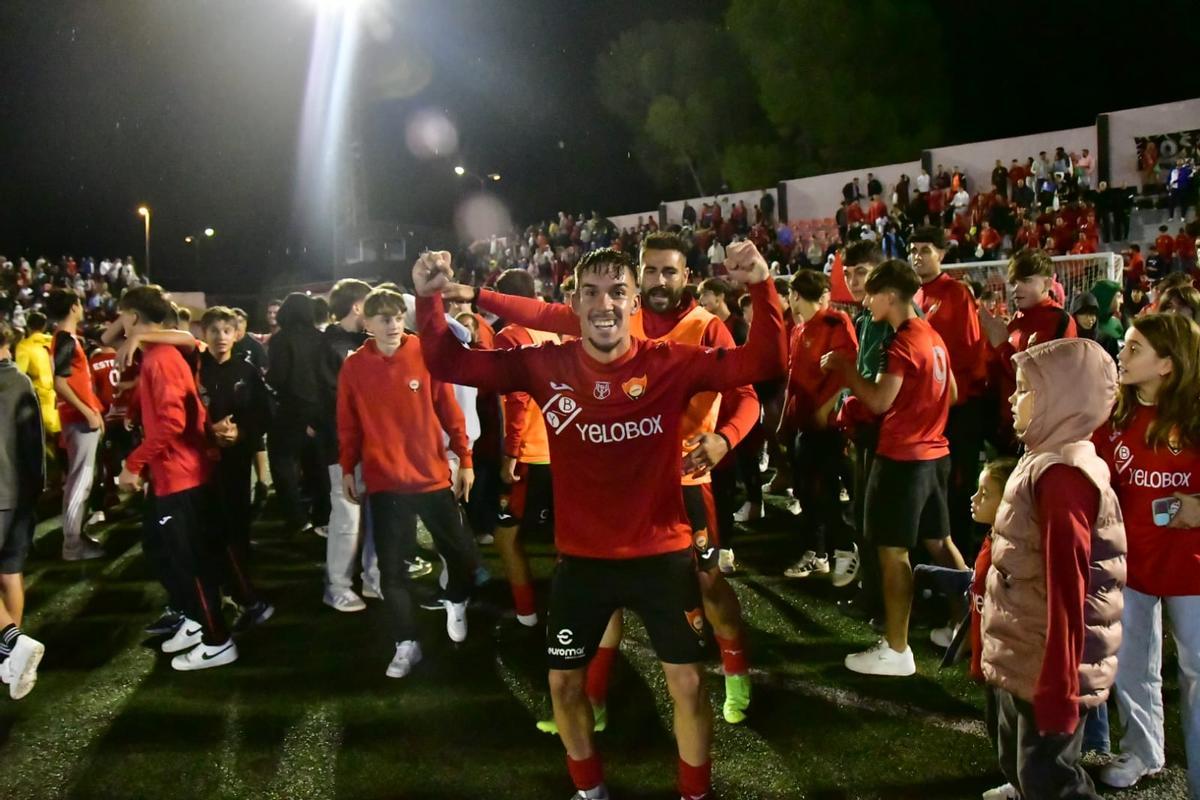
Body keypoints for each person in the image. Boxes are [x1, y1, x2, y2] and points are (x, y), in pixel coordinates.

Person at [413, 242, 784, 800]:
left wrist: (760, 282)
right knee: (563, 686)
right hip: (583, 563)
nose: (604, 303)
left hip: (662, 556)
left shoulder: (669, 361)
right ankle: (590, 792)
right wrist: (428, 299)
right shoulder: (546, 364)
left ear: (633, 303)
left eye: (617, 292)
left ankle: (695, 793)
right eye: (591, 292)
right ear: (575, 303)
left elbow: (763, 364)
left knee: (687, 683)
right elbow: (448, 362)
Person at [982, 337, 1124, 800]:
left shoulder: (1063, 477)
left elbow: (1069, 588)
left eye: (1024, 390)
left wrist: (1060, 684)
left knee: (1050, 778)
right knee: (1022, 762)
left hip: (1046, 658)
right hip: (1026, 648)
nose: (1012, 398)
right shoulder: (1043, 458)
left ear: (1061, 400)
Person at [821, 259, 967, 676]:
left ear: (889, 296)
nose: (865, 302)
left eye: (870, 295)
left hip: (903, 460)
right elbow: (952, 393)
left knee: (892, 552)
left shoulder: (901, 341)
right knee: (940, 542)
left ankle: (897, 649)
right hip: (935, 454)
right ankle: (967, 624)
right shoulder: (932, 335)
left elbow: (879, 401)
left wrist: (846, 370)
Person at [336, 285, 477, 679]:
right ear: (367, 322)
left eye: (399, 316)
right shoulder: (354, 367)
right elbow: (348, 424)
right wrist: (347, 468)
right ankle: (406, 642)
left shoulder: (423, 352)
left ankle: (455, 598)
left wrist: (465, 459)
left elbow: (449, 409)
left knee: (464, 556)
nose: (394, 324)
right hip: (385, 483)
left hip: (431, 477)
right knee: (391, 571)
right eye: (385, 318)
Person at [1093, 314, 1200, 796]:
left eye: (1135, 348)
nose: (1122, 353)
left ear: (1167, 365)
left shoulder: (1195, 417)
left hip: (1192, 569)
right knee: (1131, 661)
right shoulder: (1113, 414)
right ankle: (1143, 749)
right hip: (1129, 563)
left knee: (1196, 672)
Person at [116, 286, 238, 671]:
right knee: (161, 549)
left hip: (180, 475)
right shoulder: (158, 351)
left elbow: (171, 424)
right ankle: (195, 619)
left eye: (123, 317)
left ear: (132, 316)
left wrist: (133, 463)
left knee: (191, 561)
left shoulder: (161, 357)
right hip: (173, 474)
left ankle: (217, 639)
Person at [910, 227, 989, 557]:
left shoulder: (956, 293)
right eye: (913, 250)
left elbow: (971, 350)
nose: (917, 256)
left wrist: (953, 395)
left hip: (958, 407)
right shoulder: (915, 296)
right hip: (927, 411)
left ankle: (964, 566)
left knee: (958, 488)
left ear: (941, 254)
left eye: (925, 250)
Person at [197, 307, 275, 632]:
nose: (220, 337)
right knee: (207, 527)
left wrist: (241, 432)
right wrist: (208, 431)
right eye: (214, 330)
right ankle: (221, 589)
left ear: (237, 334)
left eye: (226, 330)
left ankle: (241, 587)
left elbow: (264, 412)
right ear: (203, 334)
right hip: (200, 463)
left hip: (237, 460)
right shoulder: (194, 368)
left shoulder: (247, 370)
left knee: (236, 523)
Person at [491, 269, 561, 630]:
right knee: (564, 539)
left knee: (506, 536)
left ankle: (527, 613)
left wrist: (511, 454)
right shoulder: (552, 329)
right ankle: (568, 614)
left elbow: (517, 399)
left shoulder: (509, 336)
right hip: (560, 447)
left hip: (531, 452)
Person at [781, 271, 857, 581]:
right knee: (806, 493)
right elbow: (793, 379)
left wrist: (826, 410)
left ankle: (845, 550)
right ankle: (818, 553)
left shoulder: (835, 323)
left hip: (827, 428)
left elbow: (846, 370)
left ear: (795, 295)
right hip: (803, 425)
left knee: (827, 493)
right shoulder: (798, 329)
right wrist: (785, 419)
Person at [315, 279, 380, 612]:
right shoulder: (329, 346)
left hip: (373, 446)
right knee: (347, 518)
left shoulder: (365, 342)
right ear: (357, 306)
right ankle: (337, 585)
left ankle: (372, 577)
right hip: (343, 448)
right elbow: (333, 403)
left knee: (375, 514)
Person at [979, 249, 1076, 449]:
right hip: (1007, 427)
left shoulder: (1059, 321)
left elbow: (1040, 379)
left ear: (1047, 284)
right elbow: (998, 373)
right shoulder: (1015, 321)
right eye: (1014, 282)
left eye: (1026, 280)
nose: (1016, 288)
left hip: (1040, 431)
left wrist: (1001, 345)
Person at [0, 323, 46, 699]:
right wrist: (36, 491)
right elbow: (35, 443)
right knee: (10, 573)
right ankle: (10, 662)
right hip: (20, 494)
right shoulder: (21, 381)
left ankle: (13, 646)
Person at [45, 289, 105, 561]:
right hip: (78, 419)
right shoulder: (65, 339)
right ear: (73, 307)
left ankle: (76, 536)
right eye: (79, 303)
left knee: (82, 478)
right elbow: (60, 382)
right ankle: (72, 544)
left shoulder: (65, 338)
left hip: (80, 417)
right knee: (80, 480)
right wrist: (87, 412)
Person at [266, 293, 327, 535]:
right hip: (319, 410)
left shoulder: (281, 339)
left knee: (282, 462)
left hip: (291, 410)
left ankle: (296, 517)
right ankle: (323, 514)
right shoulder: (321, 338)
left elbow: (278, 377)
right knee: (317, 463)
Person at [14, 311, 59, 438]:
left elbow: (20, 375)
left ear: (28, 326)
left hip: (40, 400)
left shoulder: (24, 346)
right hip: (61, 397)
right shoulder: (54, 342)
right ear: (44, 326)